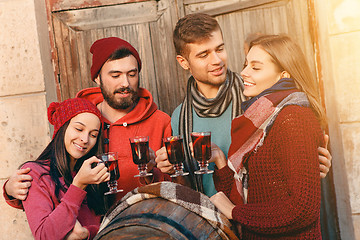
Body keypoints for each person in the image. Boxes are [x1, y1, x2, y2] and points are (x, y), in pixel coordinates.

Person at [155, 13, 332, 197]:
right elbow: (188, 189)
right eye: (203, 55)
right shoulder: (179, 117)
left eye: (220, 48)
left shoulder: (258, 96)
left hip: (258, 218)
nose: (216, 60)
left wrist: (312, 164)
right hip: (207, 221)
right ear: (184, 62)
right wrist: (171, 170)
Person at [3, 37, 171, 206]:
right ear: (97, 78)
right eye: (115, 75)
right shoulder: (79, 121)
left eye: (132, 74)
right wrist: (12, 191)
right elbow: (53, 175)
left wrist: (157, 171)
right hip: (93, 228)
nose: (125, 83)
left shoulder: (161, 121)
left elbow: (179, 187)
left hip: (149, 222)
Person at [210, 34, 325, 239]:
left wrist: (234, 212)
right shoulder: (262, 121)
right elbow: (253, 199)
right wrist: (220, 160)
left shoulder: (293, 118)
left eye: (256, 67)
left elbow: (303, 208)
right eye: (245, 65)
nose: (243, 72)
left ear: (283, 76)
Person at [20, 98, 109, 240]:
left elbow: (107, 225)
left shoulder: (93, 173)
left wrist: (87, 233)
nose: (85, 139)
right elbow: (44, 236)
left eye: (93, 135)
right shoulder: (35, 174)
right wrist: (78, 185)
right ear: (62, 127)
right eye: (79, 129)